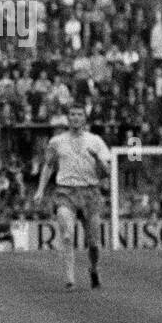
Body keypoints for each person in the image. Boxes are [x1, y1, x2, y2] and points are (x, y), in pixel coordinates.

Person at [34, 104, 111, 289]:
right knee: (67, 235)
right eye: (72, 115)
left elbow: (107, 172)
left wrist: (98, 159)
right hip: (65, 191)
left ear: (85, 119)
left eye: (79, 115)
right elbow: (49, 165)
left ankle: (93, 269)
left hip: (90, 192)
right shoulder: (57, 141)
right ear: (68, 118)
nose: (75, 118)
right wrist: (40, 189)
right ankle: (70, 278)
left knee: (93, 243)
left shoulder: (96, 141)